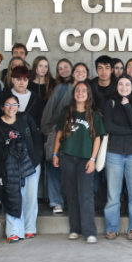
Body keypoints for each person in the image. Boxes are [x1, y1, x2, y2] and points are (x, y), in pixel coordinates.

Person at [53, 80, 105, 244]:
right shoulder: (66, 111)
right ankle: (75, 229)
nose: (80, 93)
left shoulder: (95, 115)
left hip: (85, 160)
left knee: (85, 195)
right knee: (72, 195)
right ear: (73, 93)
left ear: (88, 94)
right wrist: (55, 154)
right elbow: (59, 134)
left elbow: (97, 138)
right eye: (77, 90)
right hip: (67, 157)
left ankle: (89, 232)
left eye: (83, 90)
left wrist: (93, 159)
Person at [0, 94, 43, 243]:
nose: (11, 108)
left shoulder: (25, 118)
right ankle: (14, 231)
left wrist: (37, 155)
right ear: (2, 107)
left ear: (18, 107)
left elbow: (36, 136)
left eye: (14, 105)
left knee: (30, 197)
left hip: (31, 163)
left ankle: (29, 228)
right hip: (11, 166)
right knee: (12, 196)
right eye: (8, 104)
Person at [102, 76, 132, 240]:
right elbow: (109, 126)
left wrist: (127, 106)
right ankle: (111, 228)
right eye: (120, 84)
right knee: (113, 194)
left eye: (127, 84)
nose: (123, 87)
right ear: (116, 86)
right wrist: (130, 131)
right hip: (114, 152)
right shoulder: (110, 103)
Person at [40, 62, 88, 215]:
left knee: (73, 170)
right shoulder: (61, 89)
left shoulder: (89, 91)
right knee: (54, 167)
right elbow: (49, 109)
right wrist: (47, 131)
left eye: (83, 71)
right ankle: (56, 201)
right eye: (77, 70)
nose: (80, 73)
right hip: (58, 133)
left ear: (87, 74)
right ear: (72, 74)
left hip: (79, 137)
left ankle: (71, 200)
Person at [0, 65, 44, 130]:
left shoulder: (35, 97)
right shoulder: (4, 94)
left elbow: (39, 118)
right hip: (5, 132)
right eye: (18, 80)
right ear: (12, 79)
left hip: (28, 133)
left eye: (25, 80)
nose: (22, 83)